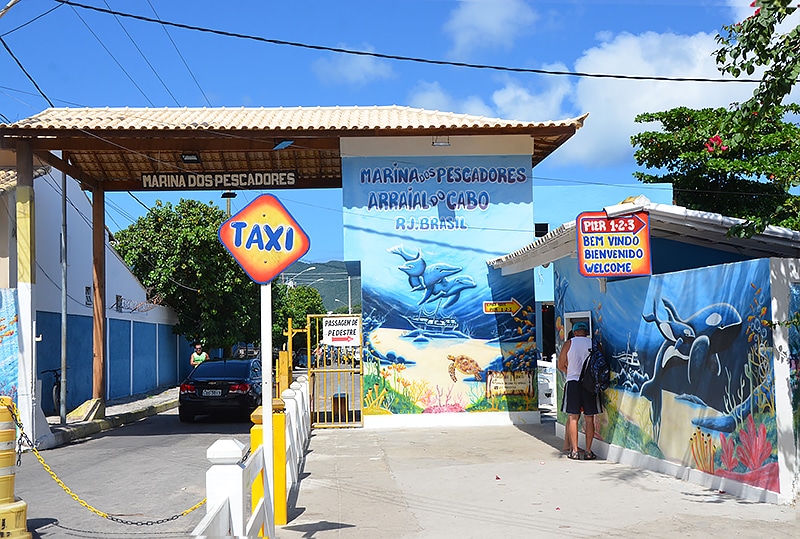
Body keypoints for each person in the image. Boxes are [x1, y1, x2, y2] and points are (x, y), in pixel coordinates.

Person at [557, 321, 600, 460]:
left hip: (573, 383)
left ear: (575, 332)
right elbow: (600, 363)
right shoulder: (594, 343)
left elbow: (560, 365)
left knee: (573, 417)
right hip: (590, 385)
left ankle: (574, 451)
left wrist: (570, 372)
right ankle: (588, 451)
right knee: (589, 418)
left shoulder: (569, 344)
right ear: (586, 332)